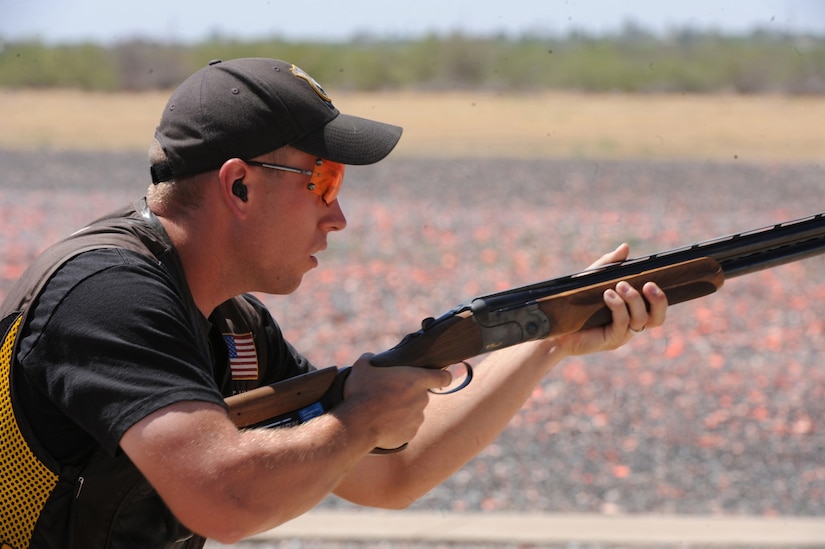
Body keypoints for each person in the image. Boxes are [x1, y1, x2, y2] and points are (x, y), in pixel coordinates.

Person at [0, 57, 668, 548]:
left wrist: (546, 335)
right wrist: (358, 420)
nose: (338, 215)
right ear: (238, 187)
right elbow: (223, 499)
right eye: (322, 180)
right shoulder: (108, 292)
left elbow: (393, 474)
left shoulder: (231, 324)